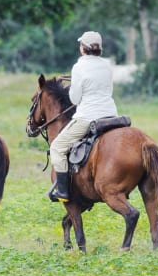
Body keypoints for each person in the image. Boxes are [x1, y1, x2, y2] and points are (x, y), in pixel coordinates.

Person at [48, 30, 118, 202]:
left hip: (88, 117)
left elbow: (74, 99)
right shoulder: (107, 66)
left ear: (83, 48)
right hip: (111, 115)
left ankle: (63, 192)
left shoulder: (79, 67)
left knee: (57, 147)